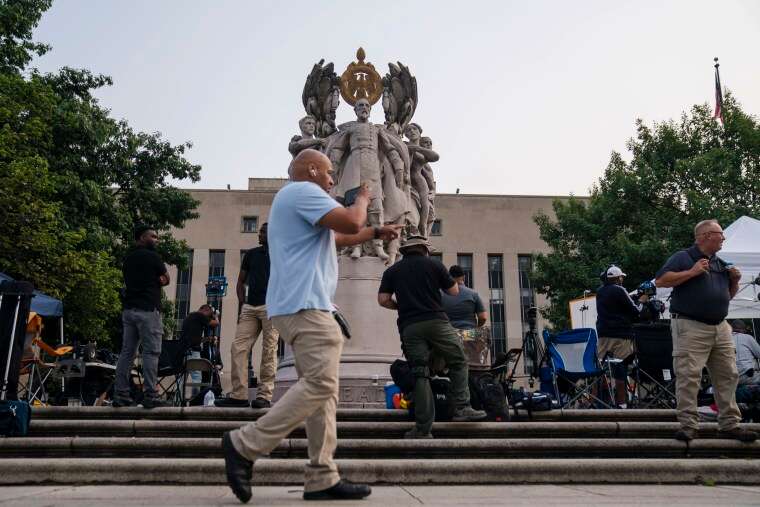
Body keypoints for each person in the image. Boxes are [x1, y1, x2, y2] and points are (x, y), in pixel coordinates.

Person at [222, 149, 401, 503]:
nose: (333, 179)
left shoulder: (293, 202)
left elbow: (338, 237)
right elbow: (350, 221)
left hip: (295, 306)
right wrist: (363, 198)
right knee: (321, 384)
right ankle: (245, 443)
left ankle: (322, 475)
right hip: (307, 307)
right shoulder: (303, 192)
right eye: (330, 172)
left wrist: (375, 231)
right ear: (314, 170)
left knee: (323, 393)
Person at [655, 219, 757, 442]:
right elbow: (661, 281)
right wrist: (692, 272)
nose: (723, 238)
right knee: (689, 375)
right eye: (720, 234)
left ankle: (730, 423)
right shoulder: (683, 257)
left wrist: (735, 282)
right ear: (705, 236)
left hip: (720, 326)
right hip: (690, 325)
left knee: (728, 375)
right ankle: (689, 425)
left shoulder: (720, 263)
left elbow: (726, 298)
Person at [378, 236, 487, 440]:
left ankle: (422, 429)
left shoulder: (392, 270)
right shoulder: (434, 265)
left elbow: (383, 300)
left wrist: (401, 306)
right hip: (437, 322)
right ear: (424, 249)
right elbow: (453, 291)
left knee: (420, 373)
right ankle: (462, 407)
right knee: (458, 360)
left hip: (409, 326)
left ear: (405, 251)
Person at [216, 222, 280, 409]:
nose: (259, 234)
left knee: (269, 351)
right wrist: (242, 303)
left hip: (272, 307)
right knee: (238, 348)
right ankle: (239, 395)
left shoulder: (283, 254)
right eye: (259, 231)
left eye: (263, 232)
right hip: (250, 308)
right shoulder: (252, 254)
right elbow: (240, 281)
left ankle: (264, 396)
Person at [114, 225, 170, 409]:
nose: (156, 240)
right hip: (148, 310)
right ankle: (150, 394)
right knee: (151, 352)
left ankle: (121, 394)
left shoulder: (128, 259)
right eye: (152, 236)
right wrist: (157, 280)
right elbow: (166, 279)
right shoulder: (152, 257)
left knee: (126, 353)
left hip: (129, 310)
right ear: (141, 238)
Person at [595, 265, 643, 407]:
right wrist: (641, 301)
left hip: (604, 334)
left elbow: (614, 305)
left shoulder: (600, 292)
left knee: (601, 366)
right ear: (618, 278)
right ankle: (621, 403)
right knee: (620, 366)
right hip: (621, 335)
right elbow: (635, 311)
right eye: (621, 277)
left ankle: (595, 401)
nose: (622, 279)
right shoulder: (620, 290)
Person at [178, 304, 219, 397]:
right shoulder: (199, 315)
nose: (208, 317)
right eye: (209, 314)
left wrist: (207, 339)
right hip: (193, 353)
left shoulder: (189, 317)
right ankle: (195, 401)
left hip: (183, 352)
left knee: (181, 379)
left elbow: (194, 338)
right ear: (205, 310)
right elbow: (216, 323)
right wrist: (216, 316)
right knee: (197, 378)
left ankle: (178, 401)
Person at [441, 265, 487, 330]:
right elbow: (483, 317)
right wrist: (477, 328)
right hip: (469, 334)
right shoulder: (473, 294)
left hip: (448, 334)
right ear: (463, 277)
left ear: (450, 277)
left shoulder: (441, 295)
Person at [731, 320, 760, 386]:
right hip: (747, 375)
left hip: (729, 377)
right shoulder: (747, 337)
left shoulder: (725, 339)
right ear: (743, 329)